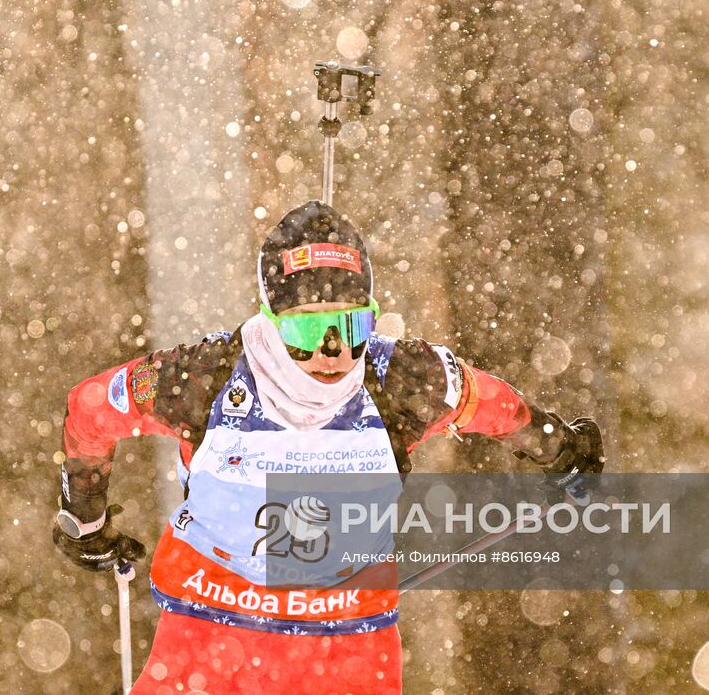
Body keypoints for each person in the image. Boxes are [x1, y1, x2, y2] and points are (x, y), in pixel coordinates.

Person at [54, 200, 603, 694]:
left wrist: (557, 448)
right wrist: (84, 515)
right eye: (305, 332)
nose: (333, 353)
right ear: (269, 319)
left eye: (351, 324)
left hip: (340, 641)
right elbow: (92, 407)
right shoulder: (204, 376)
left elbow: (493, 405)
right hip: (214, 639)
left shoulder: (402, 378)